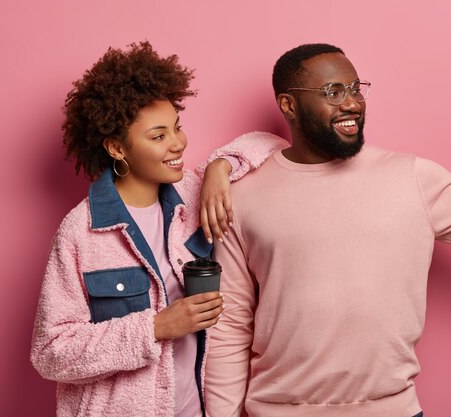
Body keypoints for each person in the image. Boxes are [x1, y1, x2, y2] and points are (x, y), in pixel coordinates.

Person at [203, 43, 451, 417]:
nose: (352, 103)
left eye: (356, 89)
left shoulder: (412, 178)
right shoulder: (243, 195)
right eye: (333, 91)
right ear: (288, 104)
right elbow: (230, 324)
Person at [30, 42, 286, 417]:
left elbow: (272, 142)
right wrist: (155, 328)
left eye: (177, 128)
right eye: (158, 136)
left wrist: (220, 168)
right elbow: (50, 352)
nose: (178, 143)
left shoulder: (193, 195)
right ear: (117, 147)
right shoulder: (82, 231)